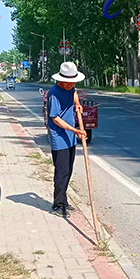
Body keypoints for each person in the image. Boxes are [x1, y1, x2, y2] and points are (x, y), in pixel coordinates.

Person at [46, 62, 87, 217]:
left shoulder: (71, 88)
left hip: (70, 138)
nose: (71, 85)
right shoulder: (54, 93)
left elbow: (74, 92)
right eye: (68, 82)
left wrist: (77, 103)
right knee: (61, 172)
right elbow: (55, 118)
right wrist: (75, 130)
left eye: (73, 82)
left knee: (69, 170)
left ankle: (64, 200)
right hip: (60, 137)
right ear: (61, 80)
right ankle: (57, 205)